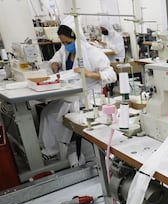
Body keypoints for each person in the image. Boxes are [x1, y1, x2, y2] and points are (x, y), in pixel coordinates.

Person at [39, 16, 117, 161]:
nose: (65, 45)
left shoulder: (92, 53)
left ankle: (54, 150)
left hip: (87, 97)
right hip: (70, 95)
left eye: (68, 42)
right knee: (46, 112)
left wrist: (89, 73)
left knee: (52, 116)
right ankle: (52, 149)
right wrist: (54, 64)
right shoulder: (65, 51)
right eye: (62, 42)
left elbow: (111, 75)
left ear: (77, 37)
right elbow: (55, 59)